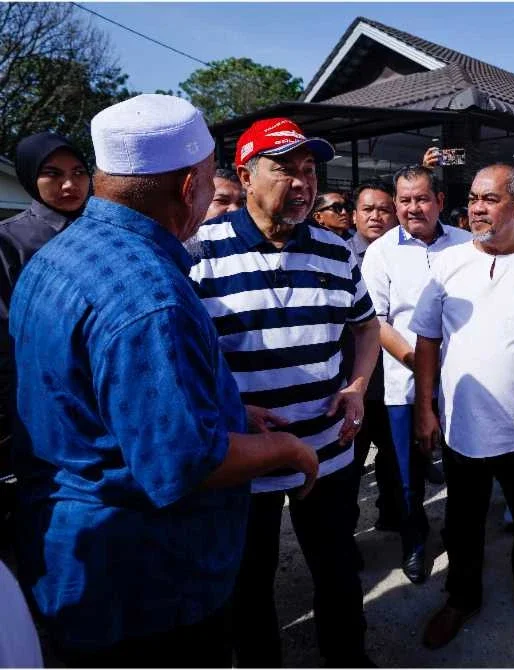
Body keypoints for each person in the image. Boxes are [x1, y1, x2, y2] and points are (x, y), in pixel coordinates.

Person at [9, 93, 319, 667]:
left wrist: (230, 412)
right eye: (209, 180)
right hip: (146, 583)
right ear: (188, 187)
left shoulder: (58, 255)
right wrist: (287, 447)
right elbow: (182, 463)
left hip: (71, 559)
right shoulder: (150, 296)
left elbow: (99, 396)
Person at [190, 116, 381, 668]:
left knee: (337, 568)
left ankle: (347, 658)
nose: (301, 182)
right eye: (284, 170)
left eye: (308, 170)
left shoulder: (336, 250)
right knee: (249, 581)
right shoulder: (200, 252)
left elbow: (366, 325)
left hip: (326, 449)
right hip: (243, 456)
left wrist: (358, 384)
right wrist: (226, 405)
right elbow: (184, 352)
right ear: (247, 177)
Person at [411, 164, 514, 654]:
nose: (477, 208)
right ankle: (461, 597)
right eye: (474, 199)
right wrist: (425, 407)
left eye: (490, 199)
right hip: (462, 425)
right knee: (461, 522)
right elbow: (427, 339)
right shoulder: (448, 263)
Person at [360, 166, 471, 583]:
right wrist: (417, 361)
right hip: (402, 381)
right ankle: (415, 539)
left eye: (421, 199)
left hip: (461, 381)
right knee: (408, 473)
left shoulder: (465, 244)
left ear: (440, 201)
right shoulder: (382, 251)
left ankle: (460, 538)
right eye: (403, 200)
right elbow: (377, 321)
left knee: (463, 467)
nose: (412, 208)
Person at [0, 132, 90, 491]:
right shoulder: (9, 241)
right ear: (28, 176)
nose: (70, 184)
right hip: (39, 402)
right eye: (52, 173)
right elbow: (6, 335)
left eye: (79, 171)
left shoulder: (105, 233)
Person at [343, 179, 401, 537]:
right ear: (354, 215)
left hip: (397, 376)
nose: (376, 216)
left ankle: (394, 518)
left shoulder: (407, 255)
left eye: (384, 209)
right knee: (350, 460)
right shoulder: (337, 255)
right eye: (368, 209)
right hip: (353, 378)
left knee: (395, 456)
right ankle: (345, 537)